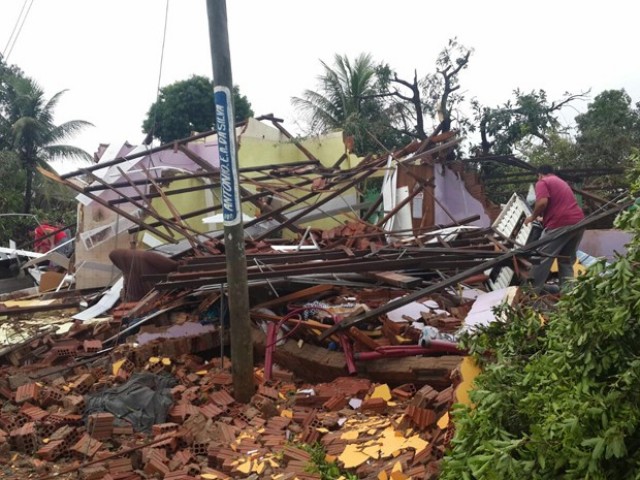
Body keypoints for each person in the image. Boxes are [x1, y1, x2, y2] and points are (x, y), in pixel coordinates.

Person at [524, 165, 585, 292]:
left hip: (560, 224)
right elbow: (559, 205)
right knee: (565, 259)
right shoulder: (561, 182)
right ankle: (569, 295)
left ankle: (530, 292)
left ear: (540, 174)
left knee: (541, 257)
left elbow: (542, 203)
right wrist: (543, 218)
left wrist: (533, 217)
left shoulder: (542, 182)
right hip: (578, 223)